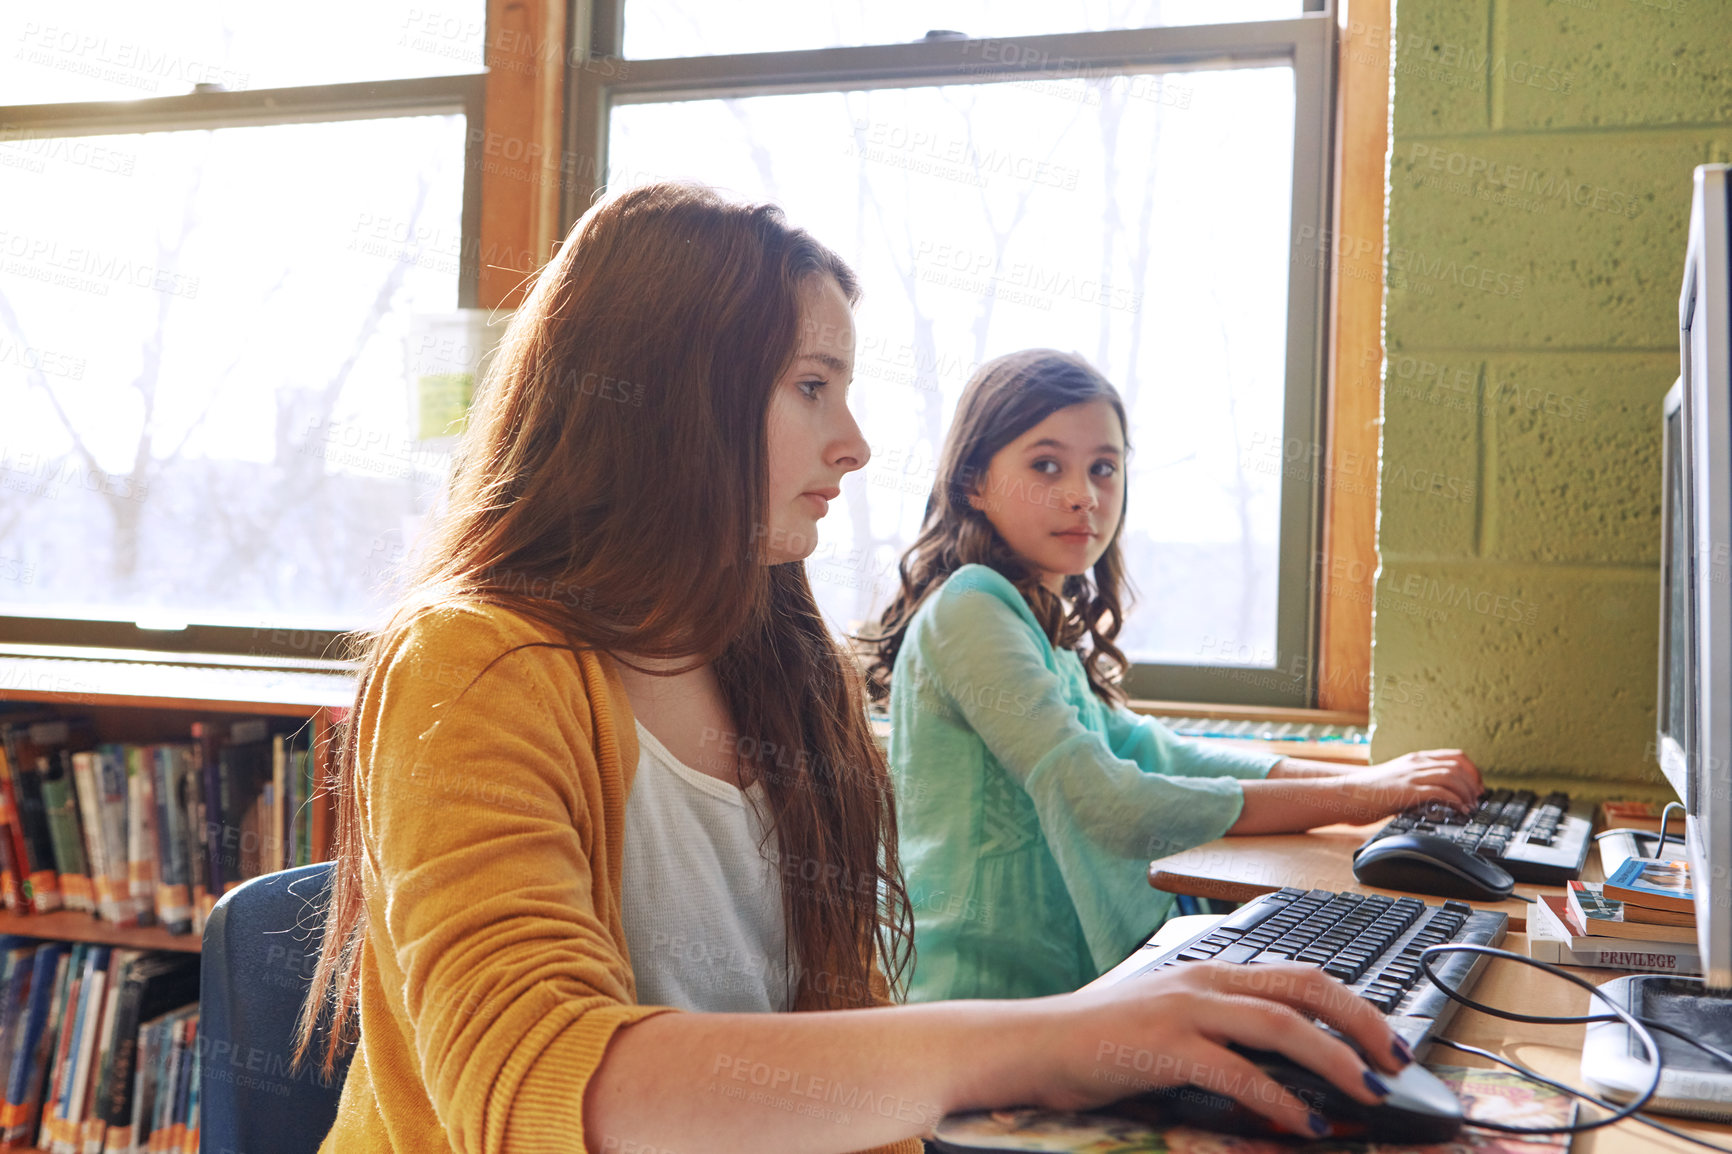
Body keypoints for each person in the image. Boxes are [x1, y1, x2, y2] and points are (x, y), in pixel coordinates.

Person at [295, 183, 1419, 1154]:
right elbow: (536, 1079)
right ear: (670, 395)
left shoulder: (780, 665)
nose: (856, 443)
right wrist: (1047, 1038)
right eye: (811, 386)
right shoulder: (474, 660)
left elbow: (831, 1023)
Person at [866, 349, 1484, 1003]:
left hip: (1070, 995)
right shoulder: (971, 608)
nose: (1083, 495)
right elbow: (1107, 802)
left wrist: (1371, 786)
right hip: (986, 1007)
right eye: (1046, 465)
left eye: (1103, 468)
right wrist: (1365, 797)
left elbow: (1159, 752)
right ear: (973, 484)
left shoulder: (1035, 624)